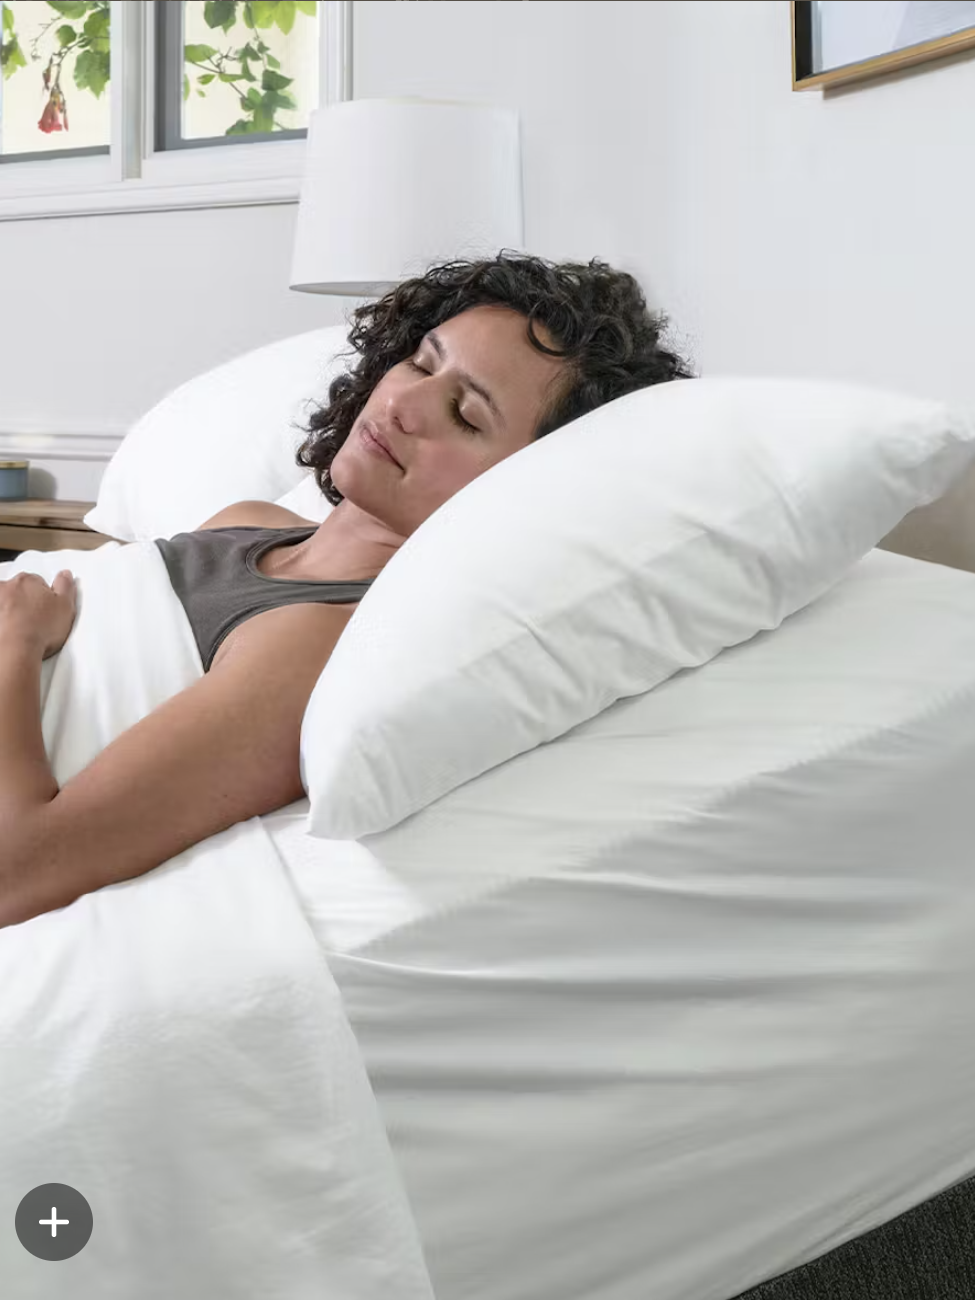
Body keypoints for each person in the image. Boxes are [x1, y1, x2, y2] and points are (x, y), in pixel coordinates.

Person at [0, 250, 691, 928]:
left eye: (466, 414)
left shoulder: (317, 640)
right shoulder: (251, 520)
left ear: (523, 488)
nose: (403, 404)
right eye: (421, 362)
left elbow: (20, 869)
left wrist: (16, 647)